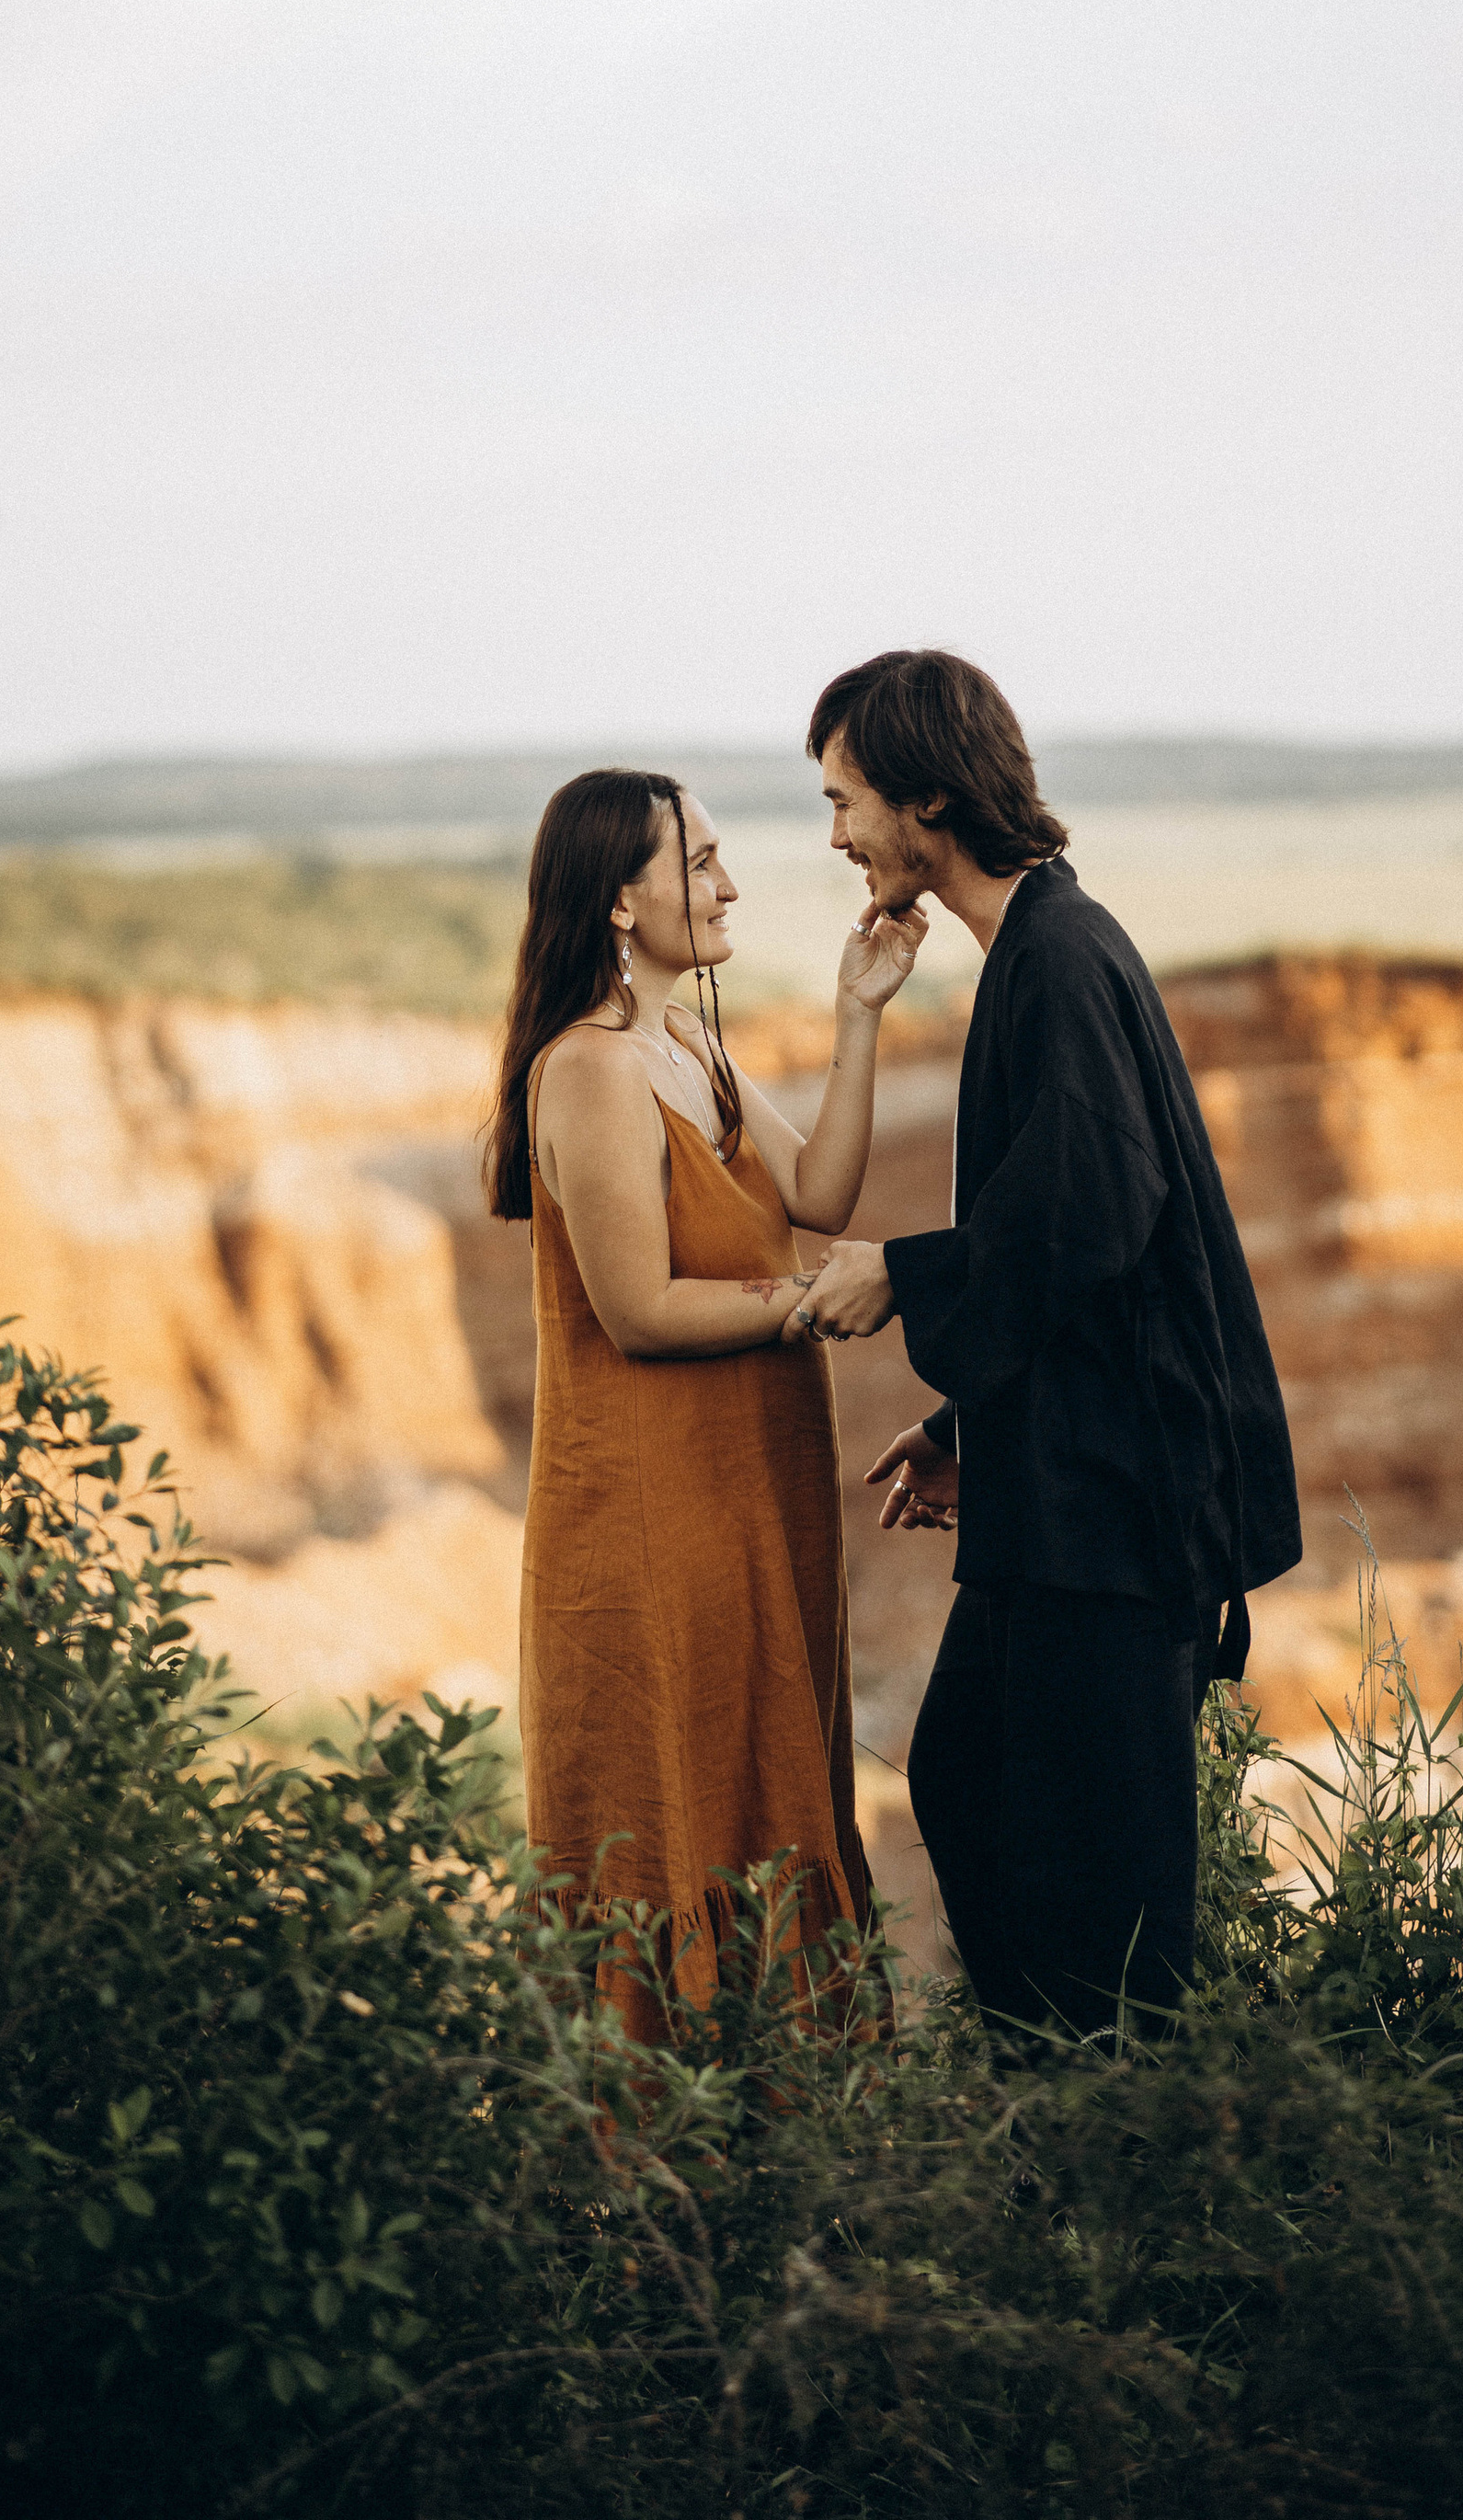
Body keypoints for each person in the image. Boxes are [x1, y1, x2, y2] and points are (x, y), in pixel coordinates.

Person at [799, 650, 1302, 2048]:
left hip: (1123, 1502)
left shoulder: (1061, 957)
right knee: (969, 1779)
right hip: (1064, 1487)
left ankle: (1131, 2151)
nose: (835, 834)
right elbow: (1073, 1239)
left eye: (847, 801)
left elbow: (1091, 1206)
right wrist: (967, 1429)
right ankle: (1065, 2105)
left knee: (1109, 1881)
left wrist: (900, 1276)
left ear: (932, 797)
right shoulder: (1034, 950)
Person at [486, 764, 926, 2036]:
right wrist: (814, 1302)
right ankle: (666, 2190)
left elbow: (825, 1195)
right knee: (677, 1813)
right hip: (653, 1517)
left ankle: (785, 2160)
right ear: (619, 904)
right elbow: (639, 1309)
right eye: (700, 863)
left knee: (767, 1793)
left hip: (751, 1499)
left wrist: (859, 1017)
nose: (729, 883)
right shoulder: (590, 1072)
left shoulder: (687, 1042)